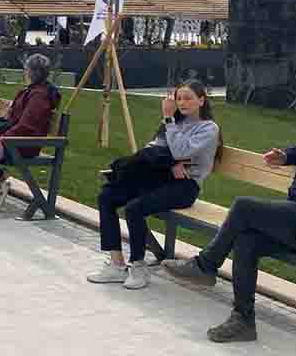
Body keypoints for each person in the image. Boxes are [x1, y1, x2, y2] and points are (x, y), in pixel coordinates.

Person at [162, 86, 296, 344]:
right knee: (246, 240)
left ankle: (205, 265)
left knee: (244, 206)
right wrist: (287, 156)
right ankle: (243, 321)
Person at [87, 81, 221, 290]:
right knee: (107, 197)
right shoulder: (176, 122)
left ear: (201, 100)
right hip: (162, 176)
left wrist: (168, 120)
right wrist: (173, 161)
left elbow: (180, 151)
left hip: (186, 187)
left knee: (134, 208)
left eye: (188, 98)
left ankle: (138, 266)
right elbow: (154, 148)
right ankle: (116, 264)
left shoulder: (208, 128)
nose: (182, 103)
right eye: (179, 98)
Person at [0, 54, 62, 212]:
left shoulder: (40, 96)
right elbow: (15, 116)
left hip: (23, 143)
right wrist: (7, 117)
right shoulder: (31, 90)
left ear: (32, 72)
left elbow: (27, 125)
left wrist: (3, 138)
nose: (24, 72)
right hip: (10, 137)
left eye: (26, 69)